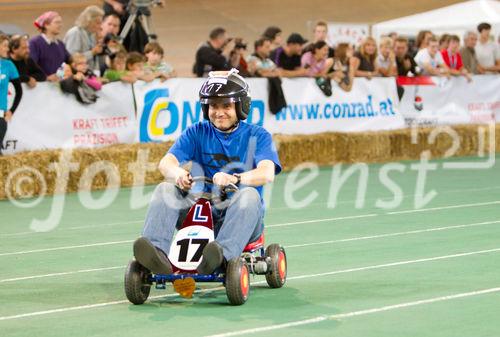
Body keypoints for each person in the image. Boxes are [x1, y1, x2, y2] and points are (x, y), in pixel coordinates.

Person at [132, 69, 281, 276]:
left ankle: (221, 257)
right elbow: (166, 163)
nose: (219, 112)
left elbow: (267, 173)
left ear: (241, 106)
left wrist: (236, 178)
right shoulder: (196, 132)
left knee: (249, 195)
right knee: (166, 188)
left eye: (226, 106)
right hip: (200, 216)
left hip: (241, 220)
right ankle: (156, 255)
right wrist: (178, 174)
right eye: (213, 106)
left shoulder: (259, 135)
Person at [29, 11, 70, 81]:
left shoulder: (60, 44)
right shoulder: (34, 43)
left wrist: (60, 75)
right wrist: (46, 78)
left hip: (59, 86)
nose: (60, 25)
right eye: (57, 22)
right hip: (41, 87)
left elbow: (67, 62)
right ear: (46, 25)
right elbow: (31, 67)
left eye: (60, 22)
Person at [64, 5, 105, 75]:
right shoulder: (75, 32)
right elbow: (71, 58)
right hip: (75, 75)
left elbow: (94, 58)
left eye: (101, 23)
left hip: (89, 74)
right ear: (88, 21)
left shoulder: (92, 35)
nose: (100, 26)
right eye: (98, 23)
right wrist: (92, 52)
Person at [0, 34, 23, 155]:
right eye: (4, 46)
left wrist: (11, 111)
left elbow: (19, 91)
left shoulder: (8, 65)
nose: (7, 49)